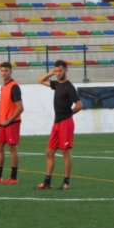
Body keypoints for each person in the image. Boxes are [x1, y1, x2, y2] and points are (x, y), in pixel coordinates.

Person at [34, 60, 82, 190]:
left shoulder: (69, 87)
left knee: (65, 152)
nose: (58, 73)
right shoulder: (57, 84)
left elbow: (79, 105)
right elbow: (40, 80)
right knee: (49, 152)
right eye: (56, 71)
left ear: (66, 70)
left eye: (60, 70)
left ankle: (66, 182)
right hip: (56, 123)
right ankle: (47, 183)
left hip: (65, 122)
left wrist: (69, 114)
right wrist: (51, 72)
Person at [0, 62, 24, 184]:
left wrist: (8, 120)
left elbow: (20, 108)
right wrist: (0, 119)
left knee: (12, 148)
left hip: (12, 122)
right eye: (2, 70)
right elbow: (6, 105)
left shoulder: (14, 87)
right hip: (3, 123)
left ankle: (13, 177)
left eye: (6, 70)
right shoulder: (4, 86)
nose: (4, 73)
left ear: (11, 72)